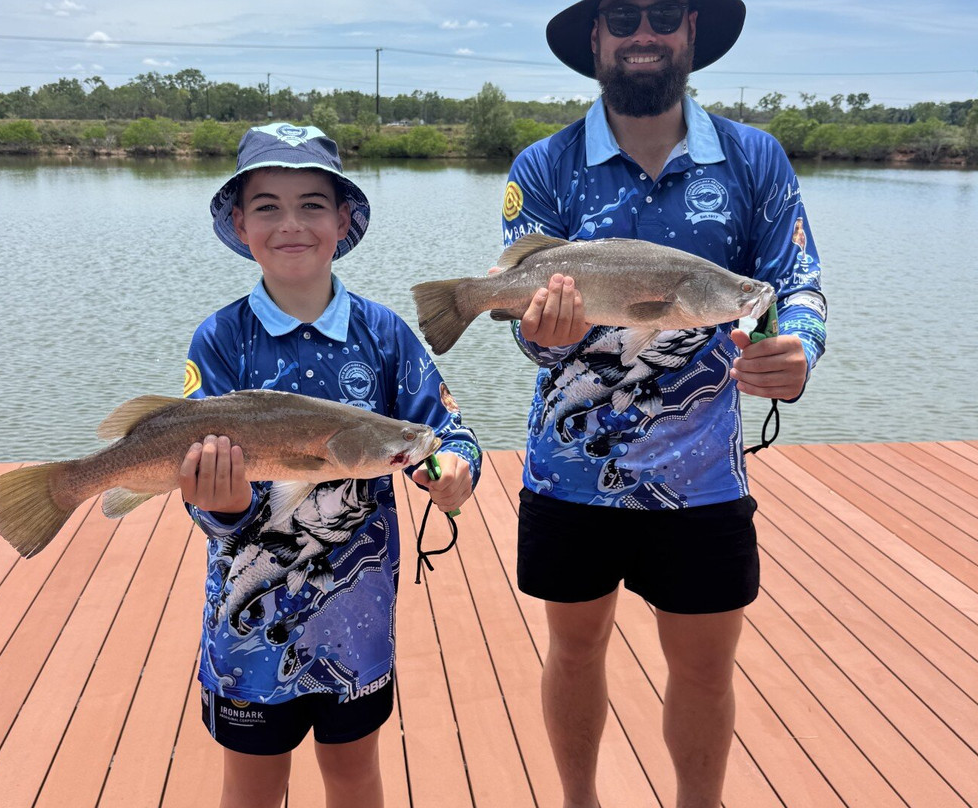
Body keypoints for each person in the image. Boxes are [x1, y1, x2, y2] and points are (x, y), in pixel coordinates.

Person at [500, 2, 827, 807]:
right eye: (623, 16)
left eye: (662, 14)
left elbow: (793, 284)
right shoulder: (543, 165)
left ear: (690, 33)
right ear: (595, 38)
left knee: (706, 668)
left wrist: (797, 347)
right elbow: (527, 331)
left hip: (705, 477)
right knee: (574, 651)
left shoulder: (754, 158)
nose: (642, 33)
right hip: (571, 475)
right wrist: (542, 334)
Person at [180, 122, 481, 808]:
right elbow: (204, 499)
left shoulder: (385, 333)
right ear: (240, 223)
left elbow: (445, 430)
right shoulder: (220, 339)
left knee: (354, 775)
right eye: (268, 207)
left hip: (358, 622)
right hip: (247, 629)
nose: (291, 224)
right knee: (253, 787)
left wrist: (455, 470)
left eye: (312, 205)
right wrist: (222, 502)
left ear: (343, 220)